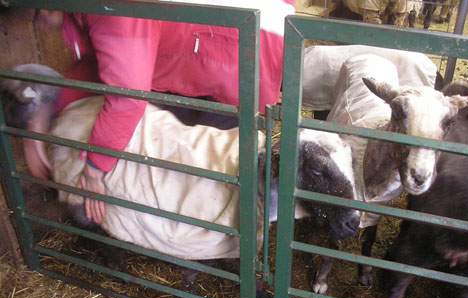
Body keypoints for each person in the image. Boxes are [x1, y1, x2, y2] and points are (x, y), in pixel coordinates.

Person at [28, 1, 295, 224]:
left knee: (218, 171)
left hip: (237, 55)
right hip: (221, 40)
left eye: (32, 16)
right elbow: (103, 63)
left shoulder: (109, 9)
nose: (38, 26)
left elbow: (127, 99)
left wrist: (94, 169)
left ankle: (222, 248)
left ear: (47, 7)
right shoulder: (90, 11)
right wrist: (48, 110)